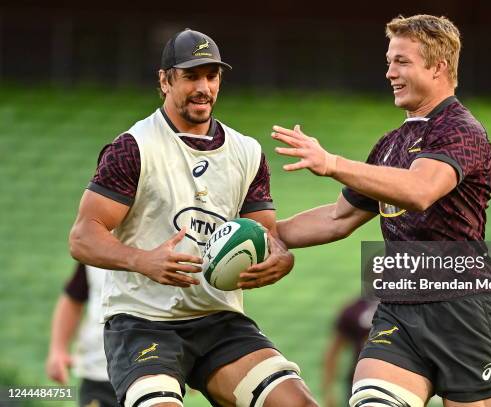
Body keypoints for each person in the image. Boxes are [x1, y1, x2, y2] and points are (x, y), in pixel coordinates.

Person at [244, 14, 491, 407]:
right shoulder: (390, 145)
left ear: (438, 67)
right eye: (389, 61)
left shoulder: (461, 129)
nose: (389, 72)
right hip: (399, 310)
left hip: (463, 309)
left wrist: (332, 163)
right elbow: (338, 218)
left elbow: (420, 190)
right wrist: (257, 236)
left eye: (402, 61)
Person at [69, 28, 317, 407]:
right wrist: (143, 260)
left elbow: (267, 234)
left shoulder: (247, 152)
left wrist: (280, 256)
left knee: (296, 403)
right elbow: (83, 236)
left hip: (218, 319)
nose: (203, 87)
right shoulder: (133, 148)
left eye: (211, 76)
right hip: (142, 322)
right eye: (191, 76)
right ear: (165, 80)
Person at [46, 262, 118, 407]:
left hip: (155, 373)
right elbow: (73, 297)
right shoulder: (93, 245)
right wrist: (58, 350)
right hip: (98, 371)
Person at [321, 298, 376, 407]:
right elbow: (333, 351)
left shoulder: (408, 307)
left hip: (400, 381)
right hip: (360, 384)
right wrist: (328, 391)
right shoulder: (354, 310)